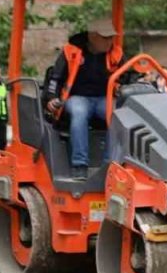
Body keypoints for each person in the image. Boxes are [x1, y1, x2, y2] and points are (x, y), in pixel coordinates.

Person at [44, 17, 130, 179]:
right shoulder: (71, 52)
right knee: (79, 112)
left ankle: (109, 164)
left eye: (111, 37)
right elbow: (55, 79)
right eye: (106, 38)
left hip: (103, 99)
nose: (110, 41)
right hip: (76, 98)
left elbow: (129, 75)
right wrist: (50, 98)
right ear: (92, 36)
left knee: (116, 114)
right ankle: (79, 165)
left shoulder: (116, 54)